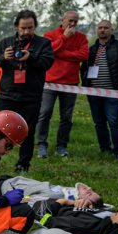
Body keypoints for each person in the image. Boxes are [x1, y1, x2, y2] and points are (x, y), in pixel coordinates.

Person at [0, 10, 54, 172]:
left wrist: (31, 57)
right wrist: (3, 58)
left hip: (31, 96)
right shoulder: (5, 43)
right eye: (23, 28)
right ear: (16, 27)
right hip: (7, 95)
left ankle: (23, 164)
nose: (26, 31)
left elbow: (47, 63)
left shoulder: (43, 44)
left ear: (35, 27)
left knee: (27, 132)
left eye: (30, 28)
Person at [37, 11, 88, 158]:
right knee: (44, 113)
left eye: (76, 21)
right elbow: (48, 51)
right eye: (70, 20)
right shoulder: (50, 35)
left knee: (66, 117)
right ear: (62, 20)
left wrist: (61, 53)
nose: (73, 24)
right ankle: (41, 144)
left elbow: (83, 55)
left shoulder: (82, 37)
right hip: (50, 82)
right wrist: (64, 38)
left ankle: (61, 146)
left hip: (70, 83)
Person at [83, 19, 118, 160]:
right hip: (94, 93)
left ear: (111, 30)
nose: (102, 30)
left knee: (114, 122)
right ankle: (104, 148)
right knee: (99, 122)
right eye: (100, 27)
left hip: (113, 92)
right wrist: (86, 85)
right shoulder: (92, 49)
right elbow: (84, 68)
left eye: (106, 28)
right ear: (97, 30)